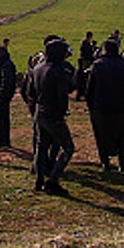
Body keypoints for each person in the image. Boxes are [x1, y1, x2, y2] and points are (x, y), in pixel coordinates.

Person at [28, 37, 76, 194]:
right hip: (53, 114)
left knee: (41, 147)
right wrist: (62, 112)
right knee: (68, 148)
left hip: (39, 112)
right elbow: (62, 96)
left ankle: (39, 180)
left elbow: (31, 93)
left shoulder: (37, 69)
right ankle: (53, 180)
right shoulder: (59, 71)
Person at [85, 38, 124, 172]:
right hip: (121, 106)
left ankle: (105, 162)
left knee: (101, 134)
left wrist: (90, 105)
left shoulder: (98, 65)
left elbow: (90, 88)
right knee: (122, 134)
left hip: (100, 106)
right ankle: (122, 163)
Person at [75, 31, 96, 101]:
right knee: (84, 75)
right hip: (85, 60)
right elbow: (86, 51)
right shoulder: (85, 43)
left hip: (85, 59)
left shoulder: (85, 42)